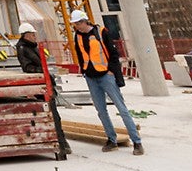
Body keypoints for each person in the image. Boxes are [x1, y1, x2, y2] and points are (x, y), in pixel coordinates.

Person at [70, 9, 144, 156]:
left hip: (106, 75)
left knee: (121, 109)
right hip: (91, 77)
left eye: (78, 23)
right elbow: (79, 54)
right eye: (75, 24)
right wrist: (84, 72)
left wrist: (111, 70)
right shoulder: (77, 36)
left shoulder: (101, 32)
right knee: (101, 111)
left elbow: (113, 53)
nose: (76, 26)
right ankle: (112, 139)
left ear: (84, 21)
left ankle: (137, 142)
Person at [15, 21, 71, 157]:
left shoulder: (32, 47)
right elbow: (27, 67)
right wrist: (43, 71)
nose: (35, 36)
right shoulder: (23, 49)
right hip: (40, 85)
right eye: (32, 34)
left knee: (55, 115)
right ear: (26, 35)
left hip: (45, 83)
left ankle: (62, 141)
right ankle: (60, 143)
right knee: (52, 115)